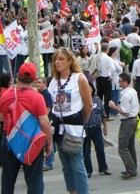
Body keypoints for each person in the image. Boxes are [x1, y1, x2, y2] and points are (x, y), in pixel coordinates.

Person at [0, 63, 53, 194]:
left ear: (17, 76)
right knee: (34, 182)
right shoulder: (37, 97)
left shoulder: (6, 95)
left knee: (8, 181)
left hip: (9, 138)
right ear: (33, 80)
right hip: (31, 140)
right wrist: (49, 142)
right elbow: (44, 123)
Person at [48, 48, 93, 194]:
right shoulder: (54, 81)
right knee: (66, 165)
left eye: (61, 59)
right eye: (55, 59)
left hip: (74, 128)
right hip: (58, 128)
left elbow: (88, 105)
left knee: (77, 164)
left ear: (69, 61)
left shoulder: (79, 78)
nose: (57, 62)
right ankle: (72, 191)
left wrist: (81, 121)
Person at [108, 72, 140, 179]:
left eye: (120, 81)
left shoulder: (126, 95)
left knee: (122, 147)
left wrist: (114, 106)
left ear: (125, 82)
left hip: (127, 121)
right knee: (130, 146)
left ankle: (131, 169)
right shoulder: (132, 91)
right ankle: (133, 167)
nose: (119, 83)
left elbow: (125, 112)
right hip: (133, 119)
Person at [84, 83, 111, 177]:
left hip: (96, 128)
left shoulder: (97, 99)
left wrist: (105, 126)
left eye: (90, 88)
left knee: (100, 148)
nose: (89, 90)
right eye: (87, 88)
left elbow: (102, 113)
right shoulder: (81, 100)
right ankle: (88, 170)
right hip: (85, 129)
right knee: (86, 151)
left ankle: (104, 168)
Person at [34, 77, 55, 171]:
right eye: (36, 82)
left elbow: (48, 108)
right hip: (40, 120)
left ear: (45, 84)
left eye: (39, 82)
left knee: (47, 142)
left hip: (46, 121)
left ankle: (49, 163)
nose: (37, 84)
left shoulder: (46, 94)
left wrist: (41, 118)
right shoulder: (39, 93)